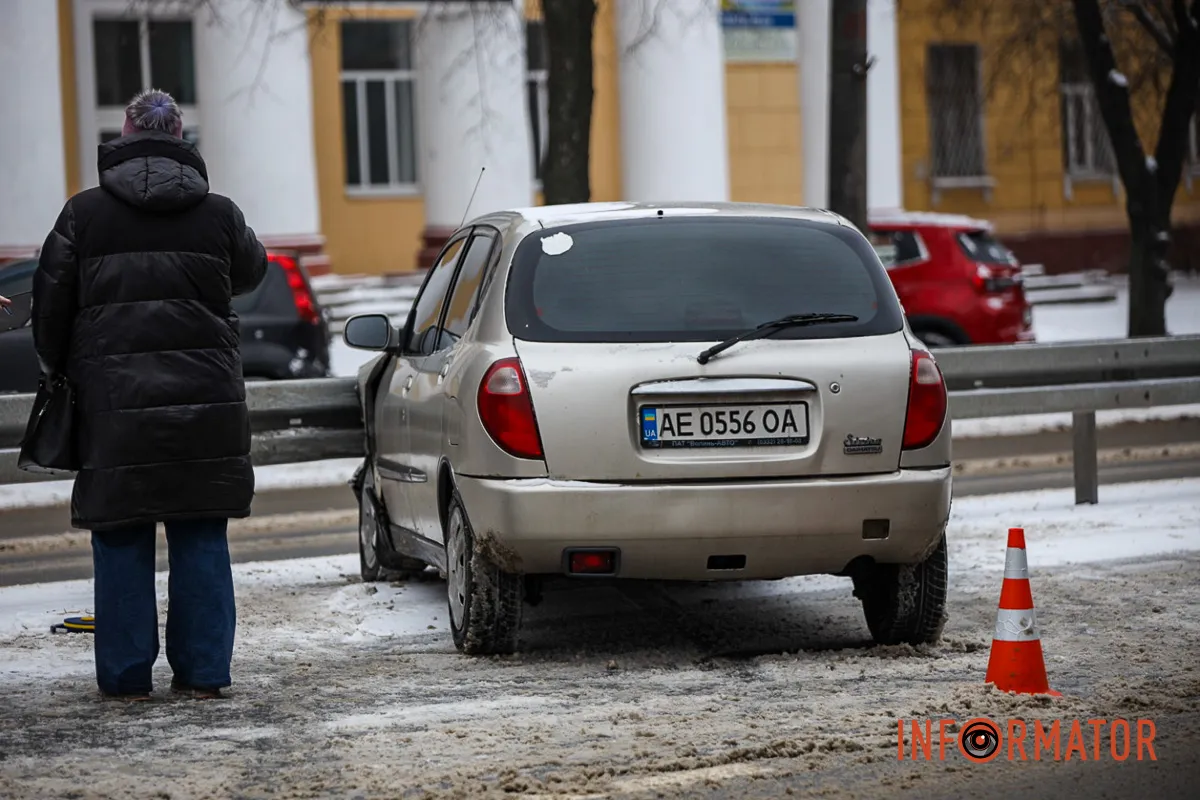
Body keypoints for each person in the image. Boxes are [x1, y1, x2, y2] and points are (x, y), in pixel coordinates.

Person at [32, 89, 267, 702]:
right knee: (200, 536)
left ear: (125, 136)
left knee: (119, 536)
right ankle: (204, 671)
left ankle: (127, 675)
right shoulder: (219, 213)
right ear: (180, 137)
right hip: (206, 405)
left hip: (114, 406)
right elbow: (250, 272)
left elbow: (50, 308)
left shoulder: (82, 214)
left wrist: (60, 369)